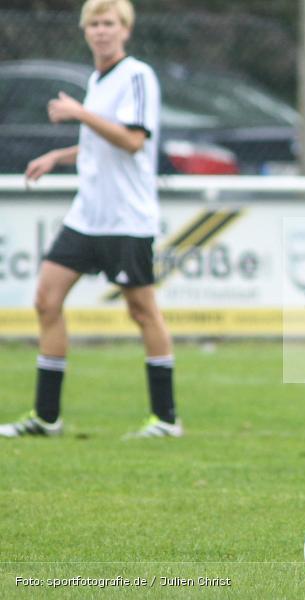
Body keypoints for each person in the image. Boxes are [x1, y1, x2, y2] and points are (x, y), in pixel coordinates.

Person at [0, 0, 181, 440]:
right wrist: (59, 155)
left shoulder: (136, 75)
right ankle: (46, 417)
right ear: (85, 31)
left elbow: (133, 140)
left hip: (126, 218)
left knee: (142, 310)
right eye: (94, 24)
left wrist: (80, 114)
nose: (101, 31)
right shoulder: (97, 81)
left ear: (125, 30)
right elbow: (101, 143)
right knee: (46, 298)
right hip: (88, 215)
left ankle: (165, 420)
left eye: (109, 23)